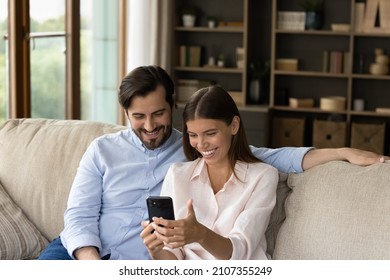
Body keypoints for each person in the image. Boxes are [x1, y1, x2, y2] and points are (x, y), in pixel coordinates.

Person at [37, 65, 388, 260]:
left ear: (172, 106)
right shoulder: (101, 150)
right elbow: (79, 216)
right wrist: (90, 265)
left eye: (158, 113)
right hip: (80, 251)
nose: (149, 126)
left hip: (137, 262)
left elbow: (270, 157)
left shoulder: (191, 150)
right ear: (126, 114)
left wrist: (342, 152)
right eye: (138, 116)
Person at [140, 85, 279, 260]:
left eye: (210, 133)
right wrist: (156, 250)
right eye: (193, 135)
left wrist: (200, 234)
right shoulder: (177, 175)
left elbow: (240, 251)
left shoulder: (262, 177)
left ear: (234, 125)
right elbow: (174, 256)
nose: (201, 144)